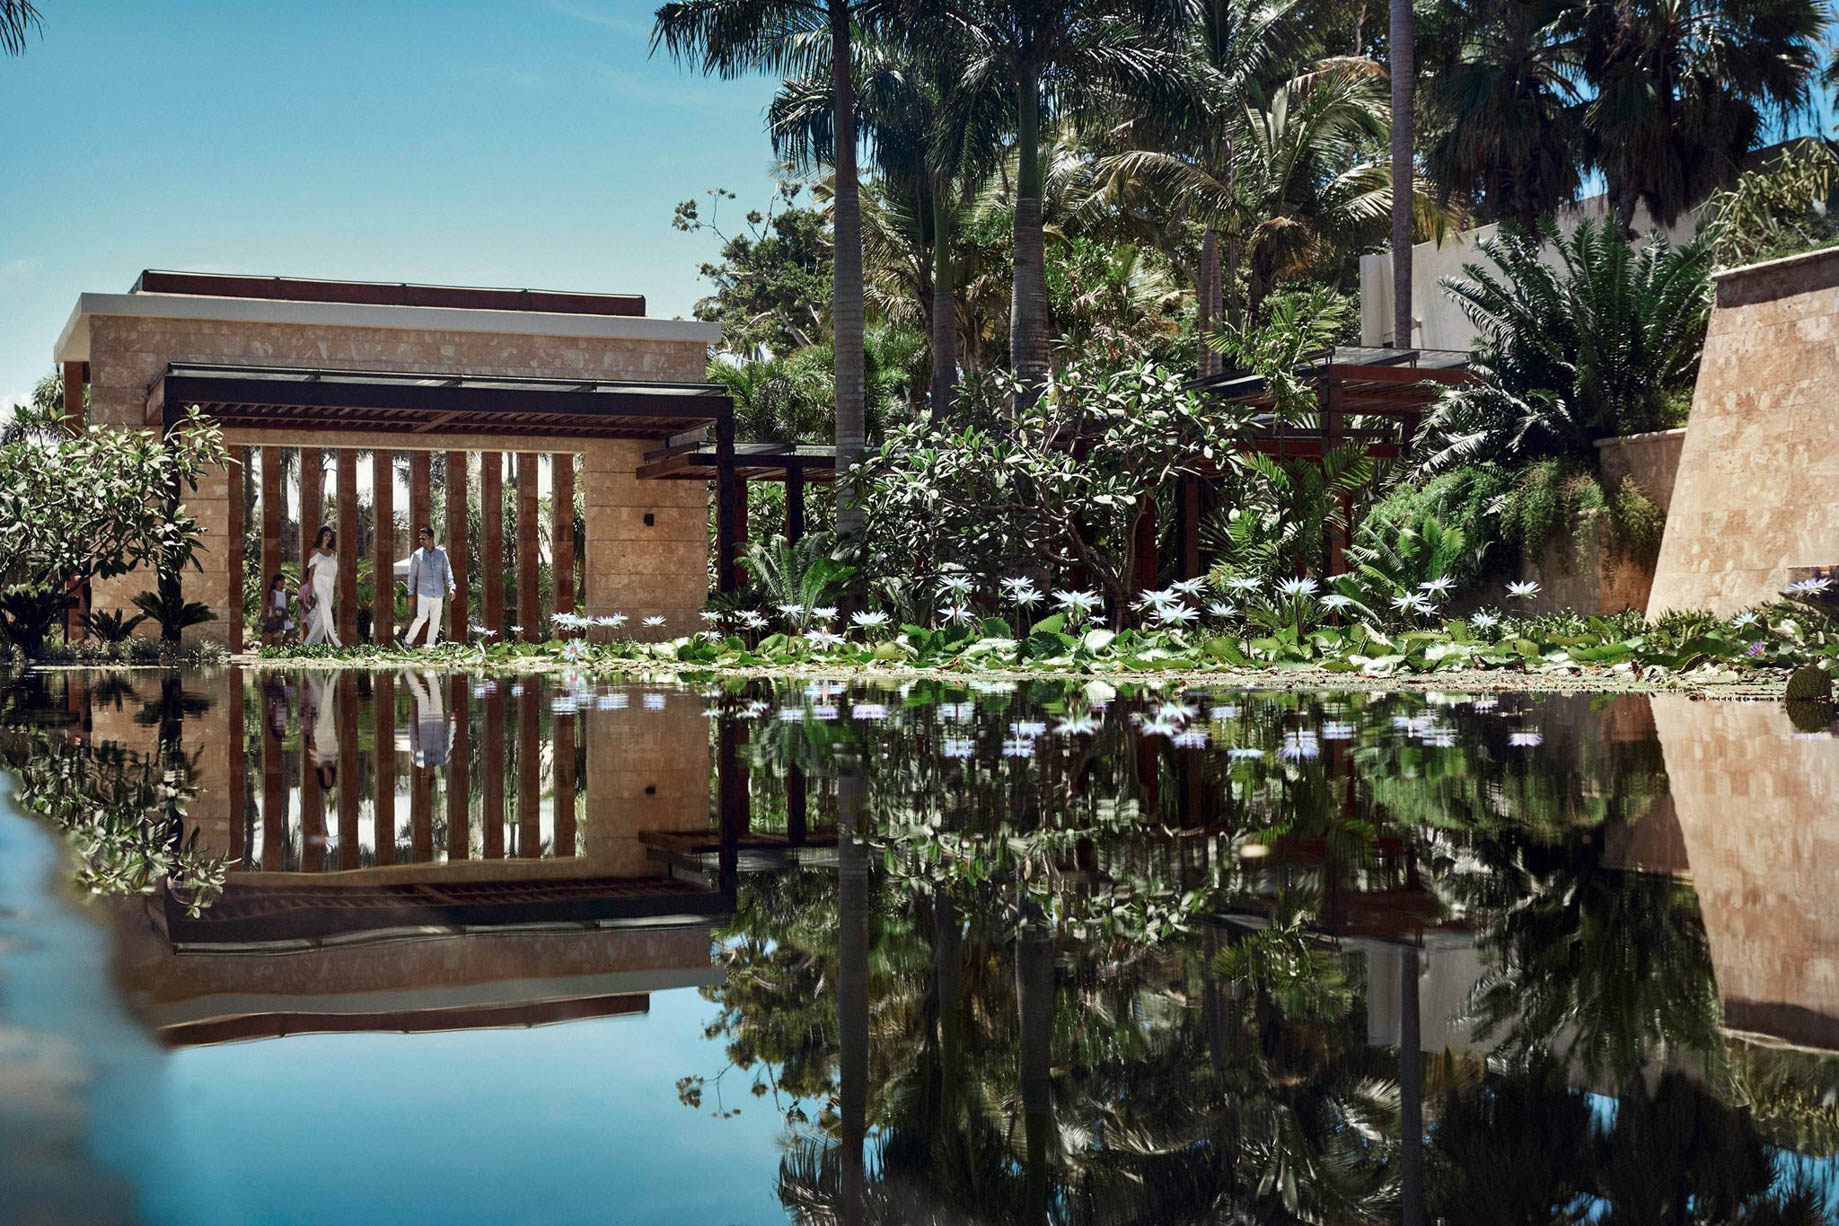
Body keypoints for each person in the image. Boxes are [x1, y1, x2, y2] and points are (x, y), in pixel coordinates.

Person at [401, 525, 456, 648]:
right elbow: (412, 575)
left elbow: (448, 571)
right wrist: (410, 593)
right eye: (420, 538)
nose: (421, 541)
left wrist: (452, 587)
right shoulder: (417, 555)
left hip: (438, 593)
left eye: (424, 538)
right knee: (422, 617)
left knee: (435, 621)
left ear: (431, 539)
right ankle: (408, 641)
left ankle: (430, 646)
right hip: (423, 593)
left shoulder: (441, 554)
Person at [302, 526, 343, 647]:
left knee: (323, 614)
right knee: (326, 611)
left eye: (330, 536)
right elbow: (311, 572)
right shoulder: (315, 551)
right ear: (321, 536)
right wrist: (310, 589)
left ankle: (309, 644)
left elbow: (337, 573)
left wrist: (339, 590)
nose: (328, 538)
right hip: (318, 583)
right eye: (326, 535)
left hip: (330, 585)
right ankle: (335, 642)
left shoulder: (333, 553)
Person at [262, 572, 295, 646]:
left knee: (290, 629)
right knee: (272, 631)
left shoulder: (283, 593)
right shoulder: (274, 592)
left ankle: (283, 644)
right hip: (275, 614)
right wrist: (275, 615)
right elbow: (272, 605)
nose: (283, 582)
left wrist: (287, 614)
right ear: (276, 582)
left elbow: (285, 605)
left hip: (283, 614)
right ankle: (270, 646)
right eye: (281, 581)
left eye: (284, 581)